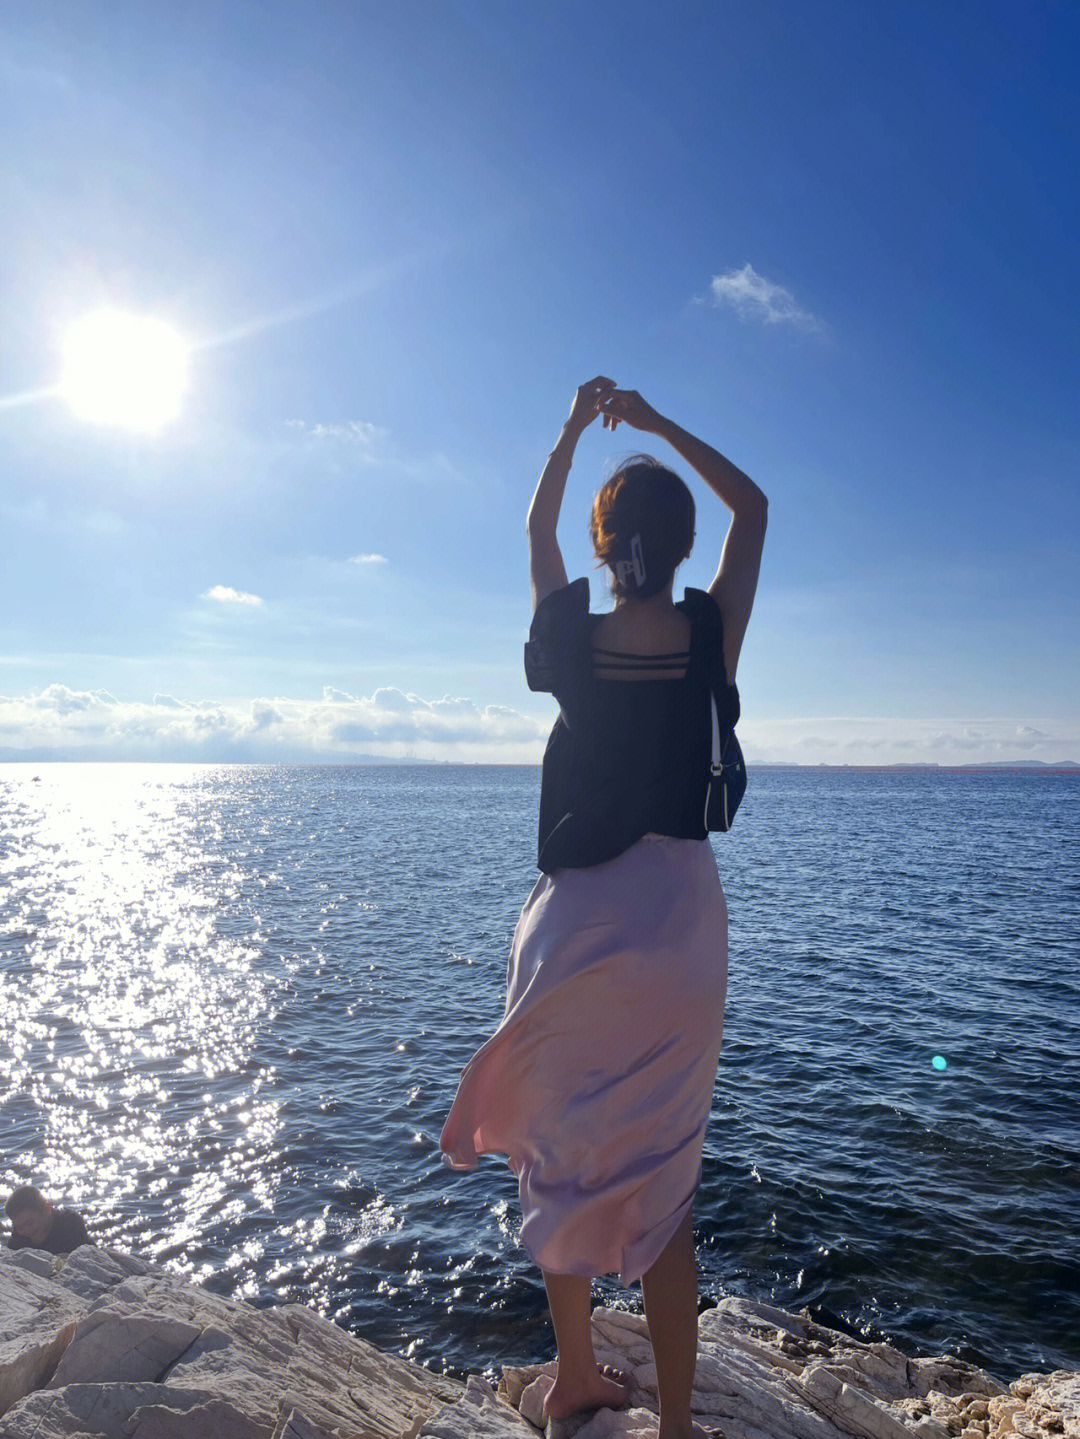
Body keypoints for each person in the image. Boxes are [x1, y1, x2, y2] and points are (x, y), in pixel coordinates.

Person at [440, 377, 767, 1439]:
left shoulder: (570, 638)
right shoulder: (710, 631)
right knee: (667, 1188)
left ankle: (576, 1373)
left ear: (605, 539)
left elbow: (535, 523)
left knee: (561, 1150)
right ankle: (675, 1427)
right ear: (678, 545)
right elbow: (753, 508)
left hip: (576, 922)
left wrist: (578, 427)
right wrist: (661, 421)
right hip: (679, 924)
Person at [5, 1184, 93, 1254]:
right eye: (19, 1227)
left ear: (47, 1208)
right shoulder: (17, 1241)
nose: (27, 1231)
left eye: (30, 1223)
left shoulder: (71, 1223)